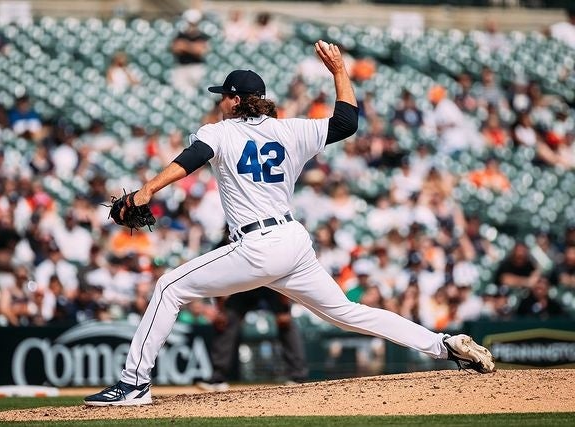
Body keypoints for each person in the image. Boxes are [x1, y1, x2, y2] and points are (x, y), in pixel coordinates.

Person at [84, 40, 495, 407]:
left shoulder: (220, 131)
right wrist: (339, 73)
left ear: (234, 100)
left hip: (257, 245)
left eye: (224, 96)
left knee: (168, 287)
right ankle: (443, 345)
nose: (220, 103)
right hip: (293, 242)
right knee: (347, 312)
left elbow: (189, 160)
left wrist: (146, 190)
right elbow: (347, 123)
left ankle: (133, 383)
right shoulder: (291, 130)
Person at [196, 288, 307, 391]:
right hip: (246, 286)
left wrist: (284, 309)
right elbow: (219, 283)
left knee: (286, 324)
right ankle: (217, 379)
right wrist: (221, 311)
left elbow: (282, 274)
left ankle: (298, 377)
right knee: (226, 320)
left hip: (271, 285)